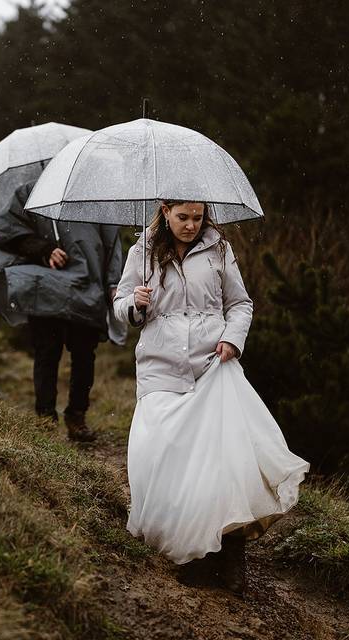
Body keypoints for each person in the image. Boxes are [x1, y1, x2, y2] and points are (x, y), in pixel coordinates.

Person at [112, 200, 310, 595]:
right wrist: (135, 303)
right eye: (182, 217)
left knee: (221, 465)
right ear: (165, 211)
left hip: (212, 367)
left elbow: (240, 304)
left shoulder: (220, 249)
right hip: (160, 369)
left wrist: (231, 340)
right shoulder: (143, 252)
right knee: (163, 458)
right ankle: (189, 552)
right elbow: (119, 307)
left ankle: (230, 554)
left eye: (197, 218)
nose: (190, 225)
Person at [0, 181, 124, 442]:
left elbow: (112, 245)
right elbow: (10, 234)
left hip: (87, 291)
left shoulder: (99, 198)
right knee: (47, 353)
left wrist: (113, 284)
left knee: (84, 355)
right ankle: (45, 419)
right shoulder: (33, 192)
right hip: (45, 289)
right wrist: (44, 249)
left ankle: (76, 416)